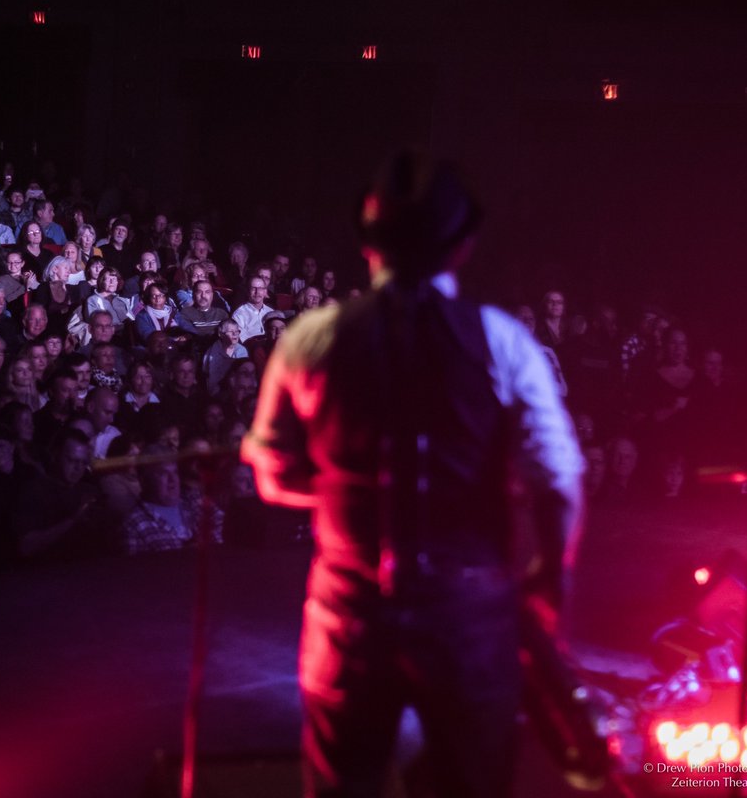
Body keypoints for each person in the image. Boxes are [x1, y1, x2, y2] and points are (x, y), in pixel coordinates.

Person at [242, 151, 583, 798]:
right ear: (465, 245)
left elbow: (272, 477)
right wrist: (549, 582)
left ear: (367, 244)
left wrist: (352, 495)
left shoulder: (310, 339)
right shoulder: (505, 342)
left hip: (348, 618)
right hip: (470, 618)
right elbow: (558, 483)